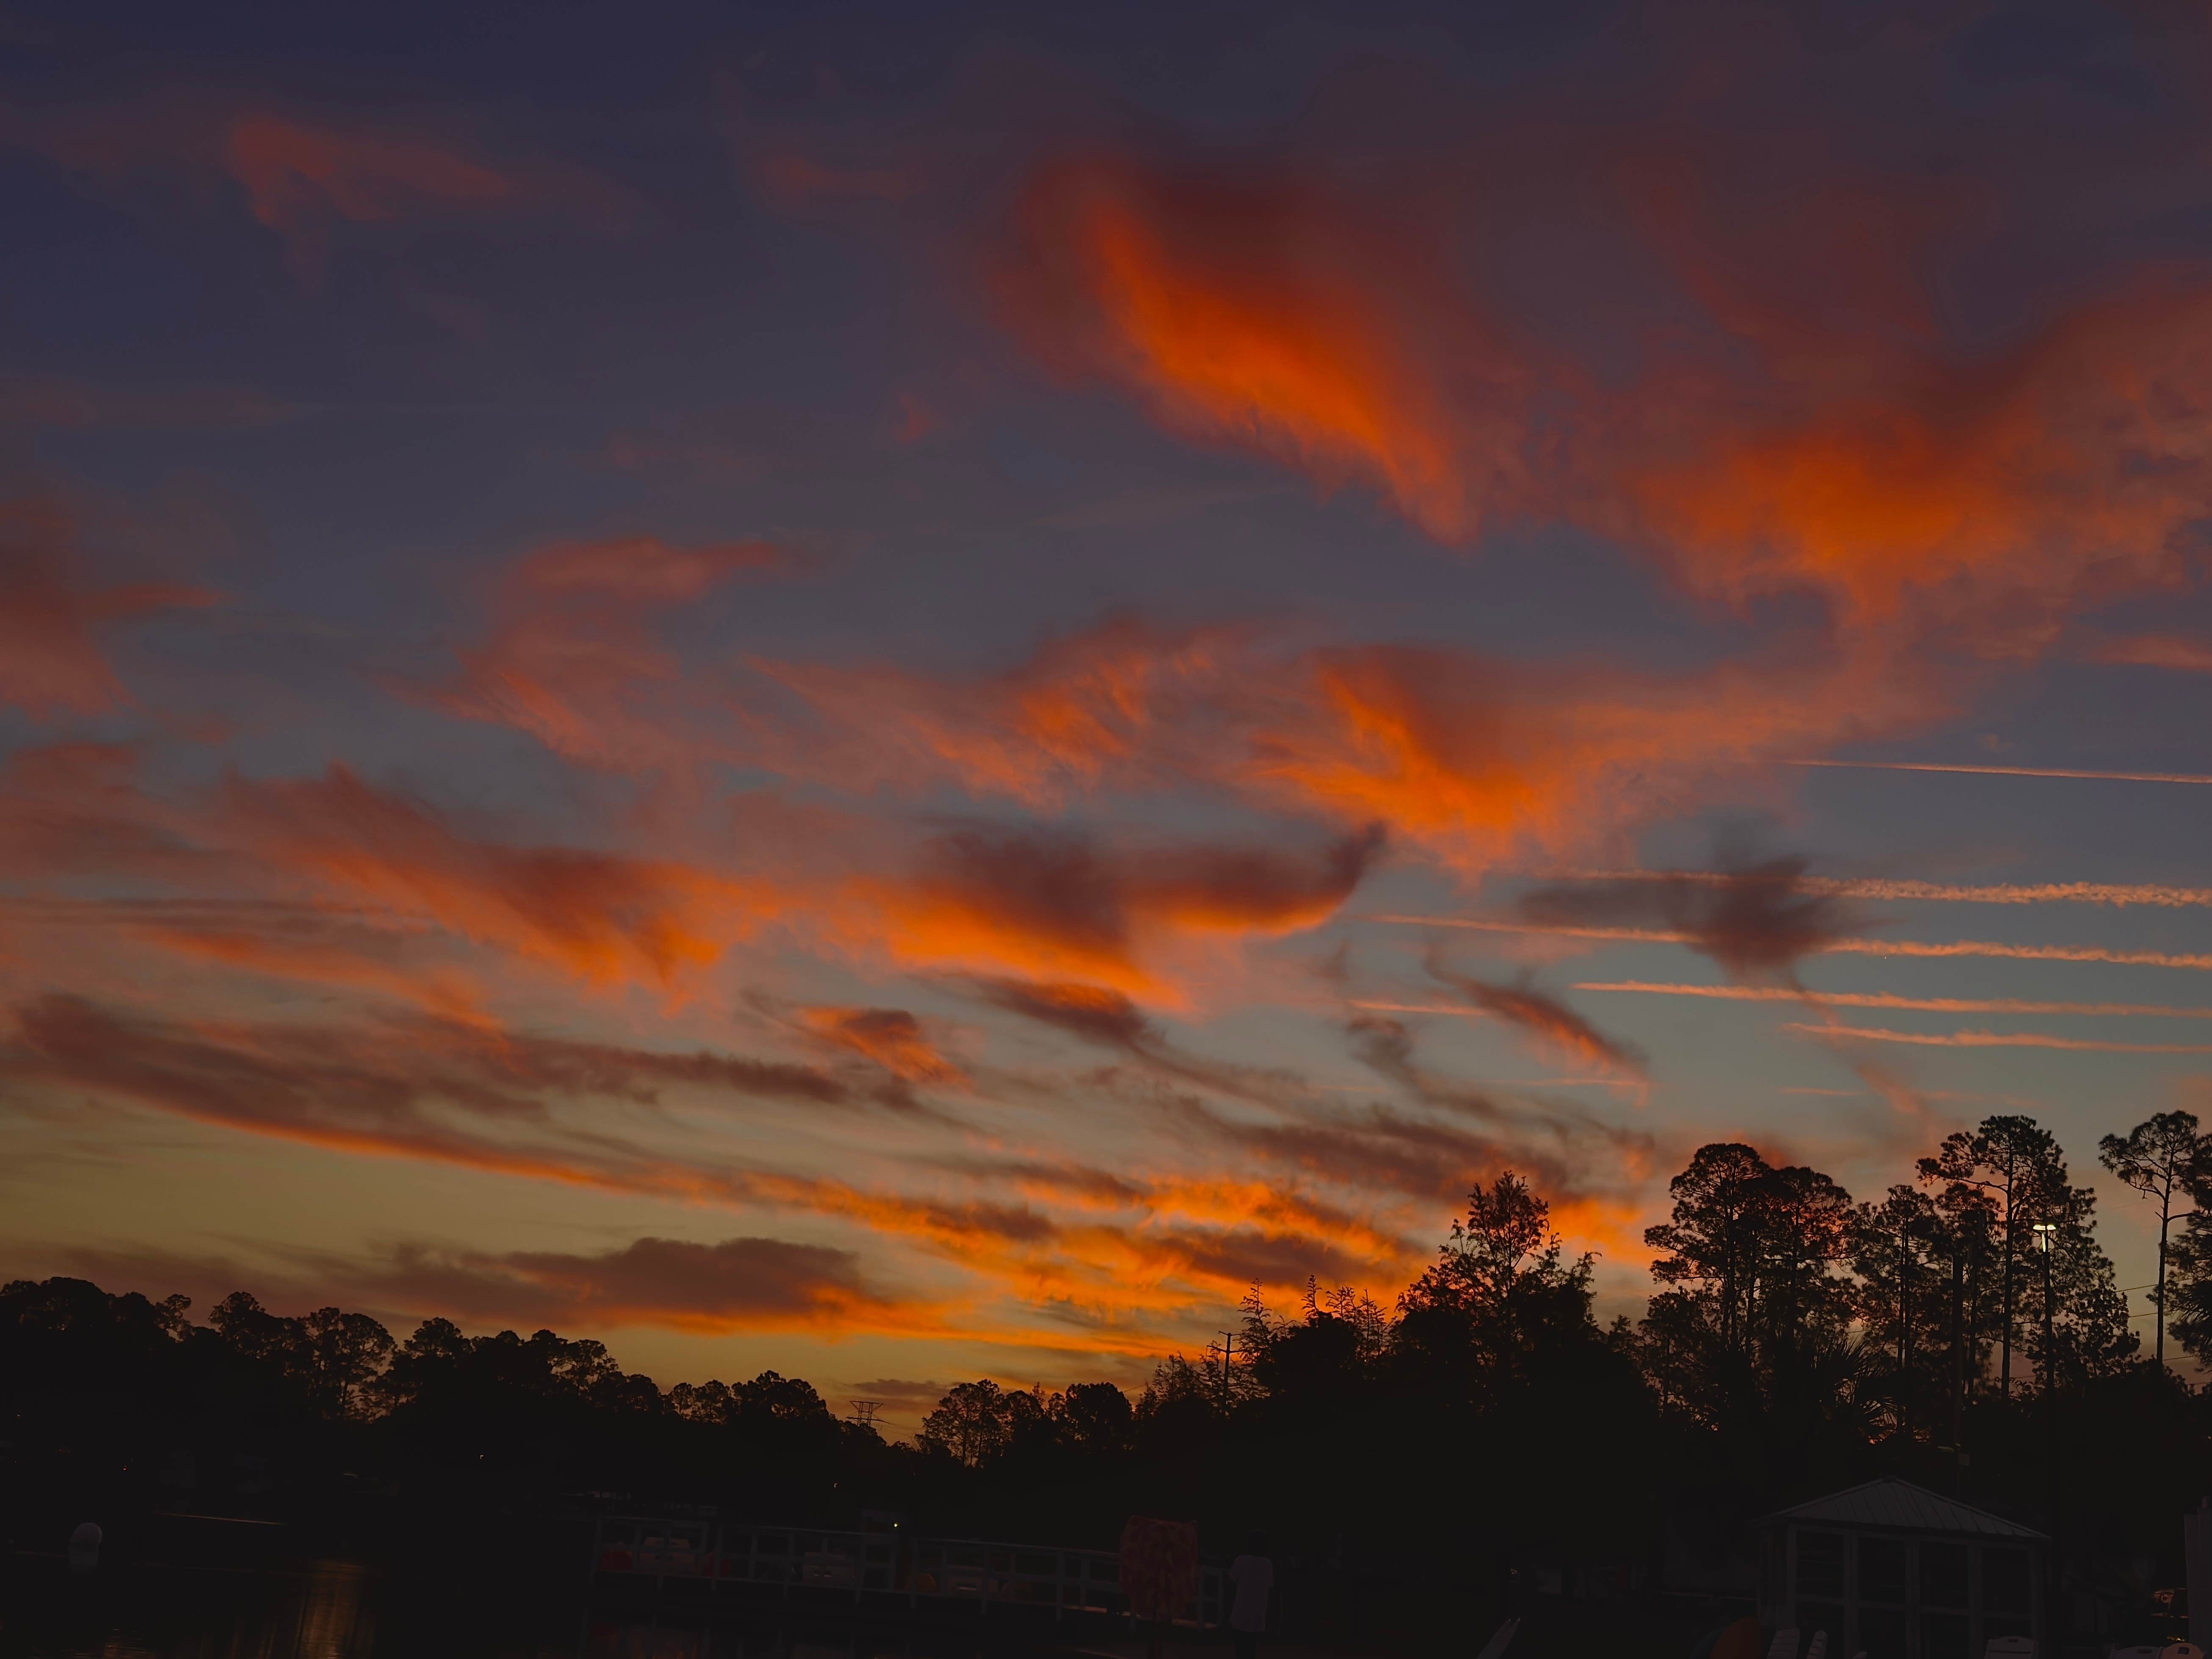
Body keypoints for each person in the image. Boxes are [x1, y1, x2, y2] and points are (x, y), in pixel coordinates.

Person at [1227, 1530, 1274, 1659]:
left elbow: (1231, 1579)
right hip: (1258, 1609)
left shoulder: (1241, 1560)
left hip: (1241, 1607)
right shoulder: (1268, 1564)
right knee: (1251, 1645)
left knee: (1240, 1644)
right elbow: (1270, 1587)